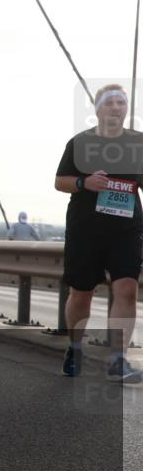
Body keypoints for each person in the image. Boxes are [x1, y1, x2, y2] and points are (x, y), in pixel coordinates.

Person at [55, 84, 143, 383]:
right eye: (111, 103)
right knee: (82, 293)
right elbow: (60, 181)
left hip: (126, 230)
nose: (117, 107)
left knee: (127, 289)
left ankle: (119, 361)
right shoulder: (80, 143)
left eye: (121, 103)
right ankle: (75, 349)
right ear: (98, 109)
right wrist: (84, 183)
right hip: (86, 229)